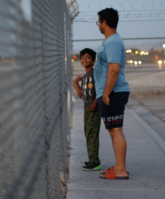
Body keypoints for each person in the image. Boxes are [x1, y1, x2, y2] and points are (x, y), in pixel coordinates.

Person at [94, 8, 130, 180]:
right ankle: (119, 167)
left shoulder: (113, 42)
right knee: (114, 130)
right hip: (111, 92)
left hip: (114, 92)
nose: (98, 25)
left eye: (98, 22)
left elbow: (114, 69)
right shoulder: (110, 41)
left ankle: (121, 170)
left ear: (104, 23)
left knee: (116, 131)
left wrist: (107, 93)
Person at [73, 48, 101, 171]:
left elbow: (101, 89)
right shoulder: (85, 77)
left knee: (92, 134)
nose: (84, 59)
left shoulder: (95, 74)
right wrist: (75, 83)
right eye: (82, 57)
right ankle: (92, 159)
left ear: (94, 60)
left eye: (88, 57)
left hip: (94, 109)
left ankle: (95, 161)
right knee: (88, 133)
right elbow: (81, 95)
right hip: (87, 109)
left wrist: (95, 103)